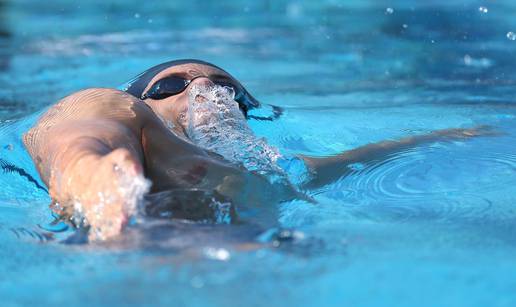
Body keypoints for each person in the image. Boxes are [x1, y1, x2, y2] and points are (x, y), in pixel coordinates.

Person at [22, 59, 494, 241]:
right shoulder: (120, 108)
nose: (205, 87)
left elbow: (372, 157)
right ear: (145, 101)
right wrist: (95, 177)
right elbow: (75, 134)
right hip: (117, 245)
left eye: (230, 89)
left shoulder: (279, 170)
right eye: (171, 84)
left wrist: (457, 136)